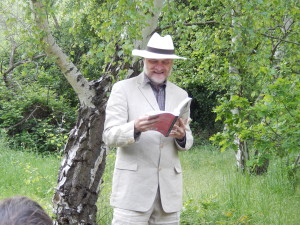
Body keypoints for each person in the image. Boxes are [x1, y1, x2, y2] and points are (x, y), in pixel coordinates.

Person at [103, 32, 193, 225]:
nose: (159, 67)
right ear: (144, 60)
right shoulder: (123, 89)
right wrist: (134, 127)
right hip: (132, 193)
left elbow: (188, 139)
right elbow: (109, 136)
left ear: (172, 64)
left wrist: (182, 136)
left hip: (169, 196)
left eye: (165, 62)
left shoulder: (181, 94)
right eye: (153, 61)